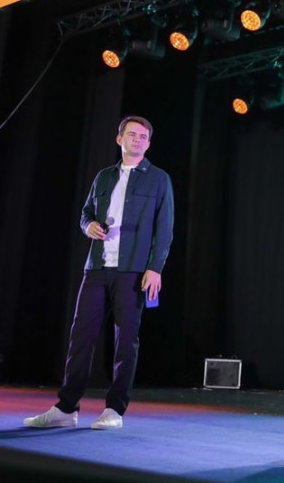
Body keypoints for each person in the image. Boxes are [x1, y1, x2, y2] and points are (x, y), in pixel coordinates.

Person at [24, 115, 174, 430]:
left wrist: (155, 268)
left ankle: (114, 410)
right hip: (97, 266)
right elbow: (86, 213)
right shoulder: (104, 177)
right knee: (81, 337)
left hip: (133, 270)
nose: (137, 140)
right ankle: (66, 408)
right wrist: (88, 225)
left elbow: (165, 228)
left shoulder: (159, 179)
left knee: (125, 342)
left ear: (148, 144)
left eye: (143, 136)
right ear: (119, 139)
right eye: (132, 134)